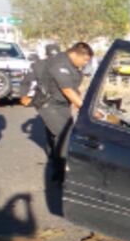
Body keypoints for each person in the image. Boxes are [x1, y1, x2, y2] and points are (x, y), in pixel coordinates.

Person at [33, 42, 93, 182]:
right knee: (65, 134)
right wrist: (85, 110)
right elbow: (67, 90)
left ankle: (54, 161)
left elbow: (74, 88)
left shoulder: (72, 65)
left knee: (55, 133)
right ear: (75, 54)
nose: (85, 64)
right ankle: (60, 172)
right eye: (84, 60)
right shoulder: (59, 63)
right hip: (49, 104)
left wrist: (83, 101)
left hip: (62, 105)